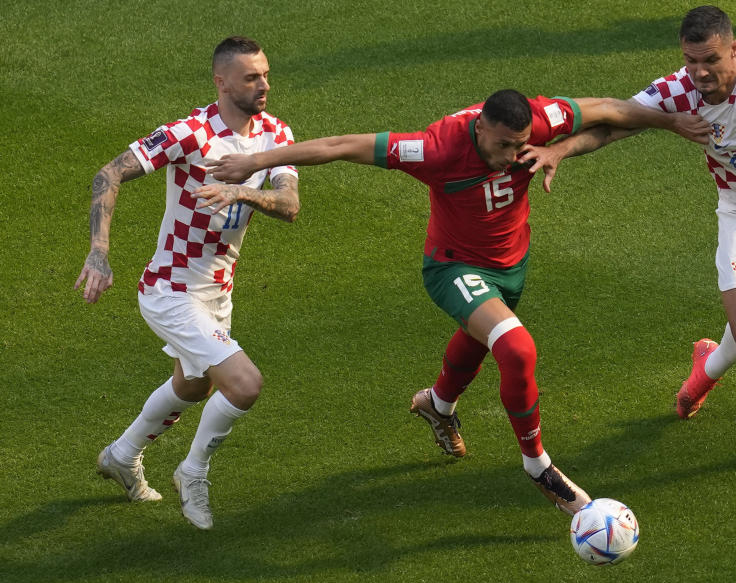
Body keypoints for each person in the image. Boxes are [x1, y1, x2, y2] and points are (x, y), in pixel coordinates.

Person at [209, 90, 710, 513]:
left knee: (483, 339)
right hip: (453, 267)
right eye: (505, 146)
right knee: (516, 348)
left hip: (511, 263)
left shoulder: (538, 120)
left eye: (522, 145)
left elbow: (605, 109)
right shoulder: (433, 149)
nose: (515, 155)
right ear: (480, 130)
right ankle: (538, 466)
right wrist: (254, 161)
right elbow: (342, 145)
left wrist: (668, 123)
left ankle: (438, 404)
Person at [522, 6, 736, 468]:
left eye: (710, 60)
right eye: (691, 61)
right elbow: (614, 122)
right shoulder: (678, 89)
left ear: (734, 48)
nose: (700, 72)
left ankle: (706, 368)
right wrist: (560, 150)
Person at [75, 36, 300, 529]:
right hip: (171, 288)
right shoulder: (189, 134)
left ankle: (121, 454)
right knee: (244, 385)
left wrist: (243, 187)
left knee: (194, 384)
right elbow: (108, 174)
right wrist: (99, 253)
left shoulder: (275, 134)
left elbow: (289, 205)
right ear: (220, 82)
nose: (263, 84)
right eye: (251, 77)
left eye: (264, 74)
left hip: (218, 291)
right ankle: (192, 471)